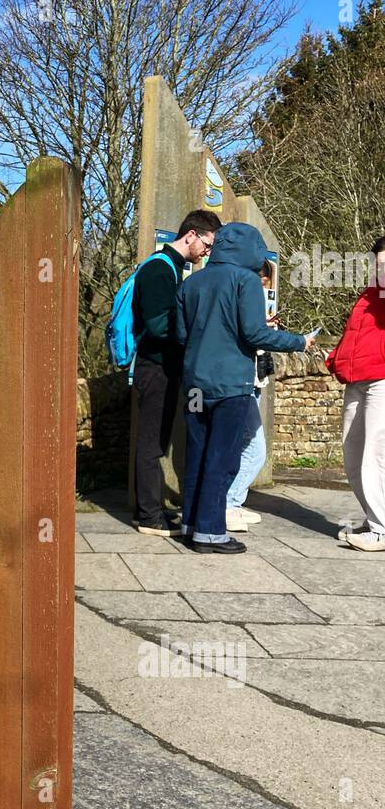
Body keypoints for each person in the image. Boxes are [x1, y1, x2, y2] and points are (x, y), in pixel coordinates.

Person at [176, 223, 313, 553]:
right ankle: (210, 533)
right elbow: (254, 335)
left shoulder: (192, 282)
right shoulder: (246, 281)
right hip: (230, 386)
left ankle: (190, 523)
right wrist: (299, 342)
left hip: (195, 384)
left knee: (196, 452)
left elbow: (181, 335)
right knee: (221, 457)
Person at [132, 210, 222, 536]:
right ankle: (149, 517)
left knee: (156, 442)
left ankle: (152, 510)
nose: (207, 253)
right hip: (155, 367)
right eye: (208, 245)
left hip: (163, 367)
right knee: (151, 445)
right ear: (191, 235)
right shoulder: (159, 269)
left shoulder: (171, 268)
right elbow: (157, 325)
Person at [326, 236, 385, 551]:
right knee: (352, 452)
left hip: (381, 379)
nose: (378, 265)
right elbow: (356, 335)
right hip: (356, 379)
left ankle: (381, 529)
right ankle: (374, 516)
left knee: (375, 454)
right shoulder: (367, 294)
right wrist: (335, 358)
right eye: (376, 260)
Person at [225, 261, 276, 532]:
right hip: (242, 384)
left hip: (251, 383)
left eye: (266, 282)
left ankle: (231, 503)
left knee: (242, 446)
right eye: (261, 281)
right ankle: (228, 503)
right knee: (255, 451)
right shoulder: (242, 301)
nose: (263, 287)